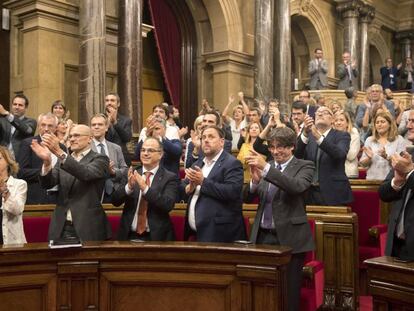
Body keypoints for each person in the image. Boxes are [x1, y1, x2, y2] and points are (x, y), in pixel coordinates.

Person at [244, 127, 315, 311]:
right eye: (272, 147)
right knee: (264, 288)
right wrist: (255, 182)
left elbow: (296, 187)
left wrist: (266, 169)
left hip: (290, 238)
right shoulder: (267, 166)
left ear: (292, 146)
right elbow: (246, 198)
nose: (275, 152)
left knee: (289, 292)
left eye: (281, 147)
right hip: (263, 236)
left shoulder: (305, 165)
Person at [30, 124, 111, 241]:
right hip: (61, 225)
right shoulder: (62, 159)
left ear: (90, 139)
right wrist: (47, 163)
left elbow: (86, 174)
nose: (72, 139)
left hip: (88, 225)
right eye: (71, 136)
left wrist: (59, 152)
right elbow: (48, 184)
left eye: (77, 136)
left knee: (88, 260)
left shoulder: (100, 159)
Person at [183, 125, 246, 242]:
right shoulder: (198, 163)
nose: (206, 140)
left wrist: (202, 181)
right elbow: (184, 188)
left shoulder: (232, 163)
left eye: (211, 137)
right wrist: (189, 188)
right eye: (203, 137)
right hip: (195, 233)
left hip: (220, 234)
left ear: (222, 142)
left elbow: (232, 192)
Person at [112, 137, 178, 241]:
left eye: (150, 150)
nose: (145, 153)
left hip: (157, 237)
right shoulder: (131, 173)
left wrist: (145, 188)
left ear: (160, 154)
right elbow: (115, 201)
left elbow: (167, 204)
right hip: (129, 236)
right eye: (143, 150)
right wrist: (128, 188)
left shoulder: (169, 177)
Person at [295, 106, 353, 205]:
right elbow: (297, 155)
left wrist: (317, 135)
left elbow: (339, 154)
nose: (320, 114)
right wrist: (304, 132)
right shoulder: (308, 137)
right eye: (318, 113)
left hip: (333, 192)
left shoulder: (341, 135)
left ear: (332, 120)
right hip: (309, 192)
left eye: (325, 112)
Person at [378, 109, 414, 261]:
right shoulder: (407, 154)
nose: (409, 125)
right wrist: (397, 181)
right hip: (398, 246)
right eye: (409, 121)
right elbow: (383, 193)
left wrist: (410, 172)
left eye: (413, 121)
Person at [17, 113, 65, 204]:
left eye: (50, 126)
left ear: (56, 128)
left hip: (59, 197)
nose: (46, 129)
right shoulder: (28, 143)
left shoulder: (62, 147)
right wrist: (46, 172)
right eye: (43, 125)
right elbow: (21, 172)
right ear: (39, 126)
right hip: (36, 197)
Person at [90, 113, 128, 202]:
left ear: (106, 127)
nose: (96, 127)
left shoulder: (116, 148)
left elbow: (125, 169)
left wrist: (113, 172)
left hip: (114, 193)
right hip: (92, 192)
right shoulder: (86, 147)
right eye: (93, 125)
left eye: (100, 124)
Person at [360, 111, 407, 181]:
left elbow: (402, 165)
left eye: (382, 122)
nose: (379, 124)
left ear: (390, 124)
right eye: (377, 122)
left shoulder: (399, 140)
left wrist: (387, 157)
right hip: (372, 180)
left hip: (392, 181)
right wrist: (369, 158)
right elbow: (363, 164)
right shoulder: (369, 140)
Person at [0, 146, 27, 245]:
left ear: (7, 162)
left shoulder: (19, 184)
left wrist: (5, 192)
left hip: (12, 242)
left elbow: (17, 209)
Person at [0, 94, 37, 158]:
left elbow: (27, 131)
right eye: (15, 104)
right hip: (3, 158)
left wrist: (7, 114)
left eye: (20, 105)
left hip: (20, 160)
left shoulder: (31, 122)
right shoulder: (2, 121)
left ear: (26, 107)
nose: (17, 107)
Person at [104, 93, 133, 165]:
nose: (109, 103)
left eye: (112, 100)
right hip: (104, 154)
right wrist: (107, 125)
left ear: (118, 104)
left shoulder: (126, 120)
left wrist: (115, 123)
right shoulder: (99, 119)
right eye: (107, 100)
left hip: (122, 156)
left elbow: (127, 138)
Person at [333, 110, 360, 178]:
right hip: (333, 172)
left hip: (349, 173)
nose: (338, 123)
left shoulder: (354, 133)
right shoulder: (331, 134)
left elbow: (351, 156)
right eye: (336, 120)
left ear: (347, 123)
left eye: (341, 120)